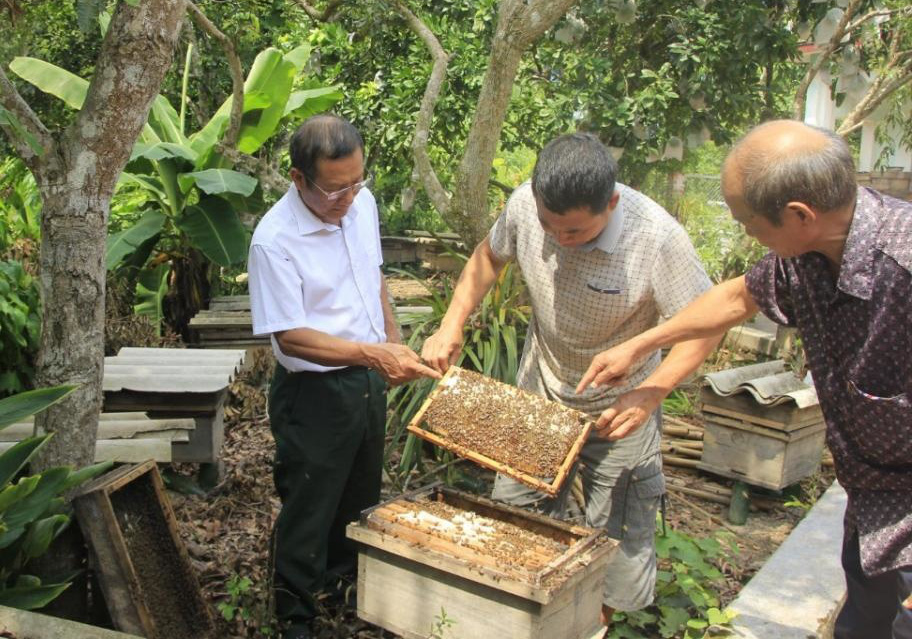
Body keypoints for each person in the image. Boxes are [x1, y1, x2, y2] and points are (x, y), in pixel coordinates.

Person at [579, 120, 912, 639]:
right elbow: (737, 298)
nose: (744, 234)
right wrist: (641, 345)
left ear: (800, 215)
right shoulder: (808, 254)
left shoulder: (904, 267)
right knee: (863, 628)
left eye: (750, 223)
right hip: (872, 496)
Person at [421, 132, 718, 621]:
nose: (559, 239)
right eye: (548, 226)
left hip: (623, 406)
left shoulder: (658, 239)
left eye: (575, 232)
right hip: (541, 390)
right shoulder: (523, 205)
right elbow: (488, 257)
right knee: (516, 519)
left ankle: (597, 624)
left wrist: (652, 392)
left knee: (617, 537)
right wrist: (451, 323)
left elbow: (704, 328)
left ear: (612, 202)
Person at [248, 114, 440, 639]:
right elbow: (290, 336)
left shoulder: (361, 203)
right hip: (312, 392)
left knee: (359, 490)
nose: (348, 198)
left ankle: (342, 584)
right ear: (298, 178)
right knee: (310, 502)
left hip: (365, 376)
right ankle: (295, 616)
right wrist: (373, 354)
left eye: (357, 182)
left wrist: (392, 342)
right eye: (335, 189)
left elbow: (372, 275)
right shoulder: (274, 240)